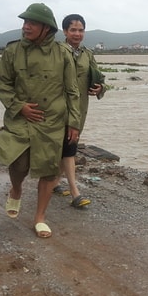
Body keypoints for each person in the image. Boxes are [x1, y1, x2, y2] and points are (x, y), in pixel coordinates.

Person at [0, 3, 81, 238]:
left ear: (46, 28)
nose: (26, 27)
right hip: (21, 119)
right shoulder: (13, 51)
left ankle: (40, 217)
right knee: (18, 163)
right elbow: (1, 83)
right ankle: (16, 188)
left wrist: (73, 123)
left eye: (31, 23)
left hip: (52, 121)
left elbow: (72, 91)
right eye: (24, 22)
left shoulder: (62, 53)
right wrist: (20, 107)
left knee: (49, 171)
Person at [52, 14, 105, 208]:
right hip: (58, 108)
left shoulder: (87, 54)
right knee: (67, 147)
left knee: (68, 146)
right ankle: (75, 193)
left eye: (81, 30)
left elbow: (97, 77)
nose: (77, 33)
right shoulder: (56, 51)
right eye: (73, 30)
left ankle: (54, 182)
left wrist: (100, 88)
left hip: (80, 108)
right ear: (64, 31)